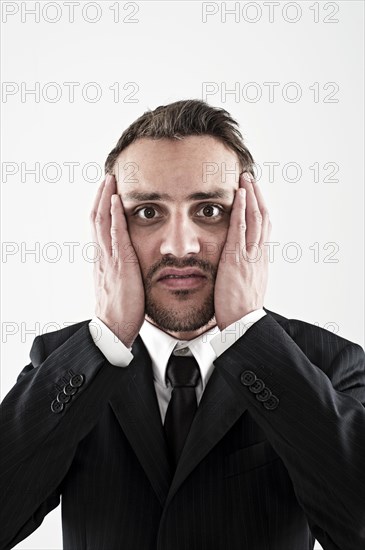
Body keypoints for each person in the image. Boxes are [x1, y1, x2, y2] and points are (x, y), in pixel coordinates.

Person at [1, 99, 364, 550]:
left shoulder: (329, 362)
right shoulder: (64, 361)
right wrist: (108, 336)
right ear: (109, 225)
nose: (180, 246)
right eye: (148, 212)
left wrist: (248, 333)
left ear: (249, 221)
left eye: (209, 210)